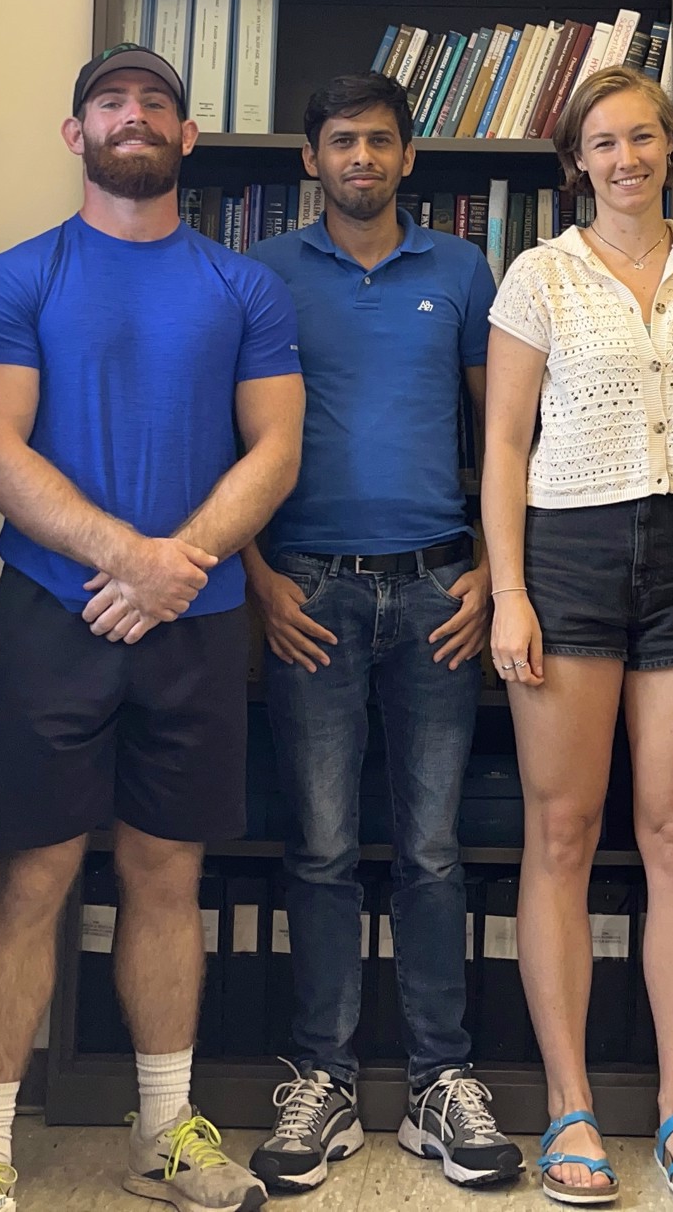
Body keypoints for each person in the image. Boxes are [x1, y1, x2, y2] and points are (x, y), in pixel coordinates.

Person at [0, 44, 304, 1211]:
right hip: (53, 618)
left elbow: (276, 451)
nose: (134, 115)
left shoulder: (244, 287)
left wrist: (172, 572)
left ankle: (165, 1136)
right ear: (77, 133)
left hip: (196, 625)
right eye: (110, 101)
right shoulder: (15, 279)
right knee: (32, 878)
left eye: (156, 102)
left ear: (187, 137)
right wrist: (130, 561)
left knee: (166, 875)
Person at [242, 72, 521, 1194]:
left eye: (380, 141)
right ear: (310, 158)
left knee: (433, 851)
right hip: (306, 594)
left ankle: (440, 1086)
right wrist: (257, 578)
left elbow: (504, 431)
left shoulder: (461, 270)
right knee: (317, 848)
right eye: (342, 140)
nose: (361, 156)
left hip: (437, 595)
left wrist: (494, 570)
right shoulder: (262, 271)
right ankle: (323, 1081)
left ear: (410, 157)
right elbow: (230, 436)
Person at [482, 67, 673, 1207]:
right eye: (603, 142)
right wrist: (508, 591)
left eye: (643, 137)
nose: (626, 158)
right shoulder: (538, 275)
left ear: (670, 148)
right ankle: (571, 1105)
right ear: (577, 162)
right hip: (570, 559)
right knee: (563, 833)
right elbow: (504, 445)